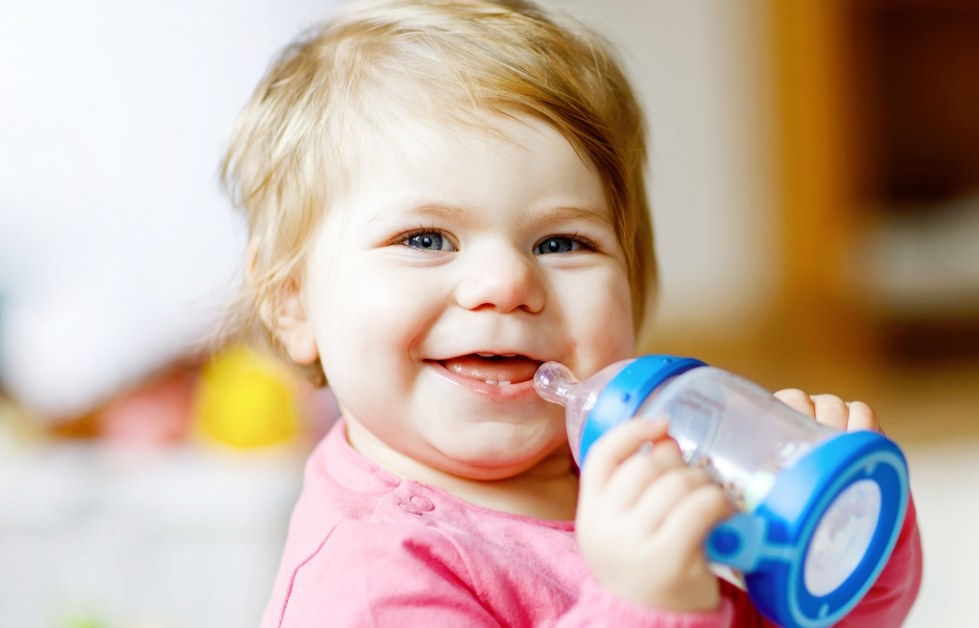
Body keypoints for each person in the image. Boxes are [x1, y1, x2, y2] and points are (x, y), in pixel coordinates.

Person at [219, 0, 923, 625]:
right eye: (425, 239)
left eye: (562, 241)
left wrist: (835, 543)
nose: (505, 282)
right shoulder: (371, 581)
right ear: (292, 302)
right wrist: (643, 606)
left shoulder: (642, 464)